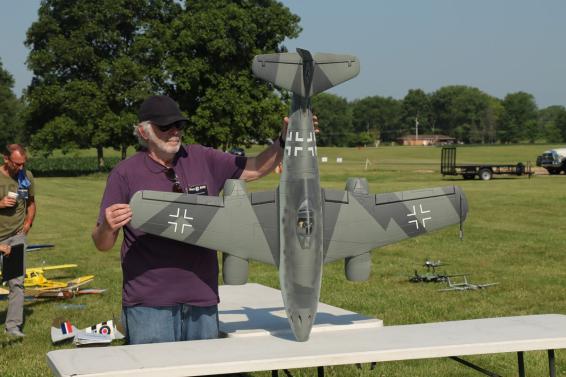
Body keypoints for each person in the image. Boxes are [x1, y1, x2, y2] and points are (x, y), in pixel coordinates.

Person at [92, 95, 308, 344]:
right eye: (165, 127)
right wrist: (108, 226)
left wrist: (283, 140)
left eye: (179, 125)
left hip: (201, 297)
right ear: (143, 132)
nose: (175, 132)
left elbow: (256, 167)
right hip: (149, 302)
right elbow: (102, 243)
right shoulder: (124, 173)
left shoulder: (202, 158)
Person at [0, 144, 36, 338]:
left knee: (16, 282)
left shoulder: (26, 177)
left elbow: (30, 202)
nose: (21, 168)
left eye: (24, 164)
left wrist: (29, 222)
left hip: (16, 236)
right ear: (6, 159)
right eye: (17, 164)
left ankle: (13, 327)